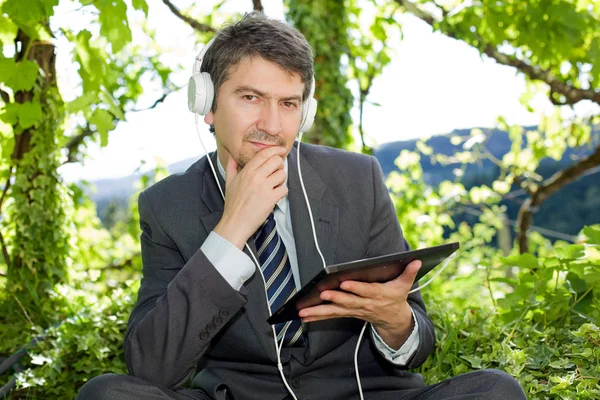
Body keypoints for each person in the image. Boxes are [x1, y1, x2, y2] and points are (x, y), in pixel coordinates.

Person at [76, 12, 526, 400]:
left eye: (288, 104)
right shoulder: (166, 206)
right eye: (251, 98)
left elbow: (418, 341)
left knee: (496, 389)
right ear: (208, 104)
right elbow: (151, 368)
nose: (271, 125)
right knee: (104, 394)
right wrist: (230, 231)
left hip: (364, 395)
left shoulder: (358, 179)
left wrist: (396, 321)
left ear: (303, 113)